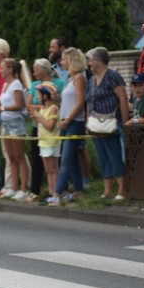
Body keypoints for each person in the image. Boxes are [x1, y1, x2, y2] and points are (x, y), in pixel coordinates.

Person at [85, 47, 129, 200]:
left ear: (99, 61)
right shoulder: (91, 80)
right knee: (102, 156)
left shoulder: (113, 76)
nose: (89, 63)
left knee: (114, 154)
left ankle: (122, 190)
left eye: (90, 60)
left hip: (111, 121)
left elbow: (123, 99)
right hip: (96, 123)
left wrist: (125, 122)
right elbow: (89, 102)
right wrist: (87, 122)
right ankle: (107, 190)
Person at [50, 47, 88, 206]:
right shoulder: (70, 79)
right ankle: (78, 190)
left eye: (64, 59)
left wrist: (68, 120)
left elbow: (80, 103)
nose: (62, 62)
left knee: (65, 159)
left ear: (72, 60)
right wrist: (57, 98)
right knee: (72, 160)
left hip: (74, 122)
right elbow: (68, 101)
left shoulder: (80, 78)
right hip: (66, 121)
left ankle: (57, 193)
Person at [0, 58, 30, 201]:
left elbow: (19, 105)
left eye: (3, 68)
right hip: (5, 122)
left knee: (19, 156)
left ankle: (24, 188)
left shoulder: (16, 84)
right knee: (11, 157)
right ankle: (13, 187)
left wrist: (1, 108)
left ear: (10, 69)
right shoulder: (5, 85)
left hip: (16, 122)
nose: (0, 70)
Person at [29, 82, 61, 201]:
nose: (37, 97)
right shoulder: (42, 109)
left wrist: (39, 116)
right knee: (47, 169)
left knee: (53, 168)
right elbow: (41, 125)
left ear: (46, 95)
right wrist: (36, 118)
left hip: (51, 142)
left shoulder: (53, 109)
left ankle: (55, 193)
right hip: (43, 142)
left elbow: (50, 126)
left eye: (39, 94)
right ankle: (50, 192)